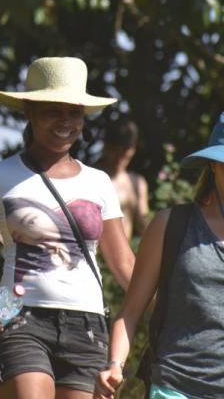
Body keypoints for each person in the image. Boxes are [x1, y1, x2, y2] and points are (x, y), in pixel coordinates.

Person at [0, 56, 135, 399]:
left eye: (74, 112)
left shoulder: (100, 183)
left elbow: (125, 267)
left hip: (88, 328)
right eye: (52, 111)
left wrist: (171, 305)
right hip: (21, 321)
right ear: (29, 111)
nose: (65, 122)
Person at [94, 112, 224, 399]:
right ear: (213, 166)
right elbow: (129, 312)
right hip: (174, 387)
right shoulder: (171, 225)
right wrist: (115, 364)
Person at [96, 118, 150, 240]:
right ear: (106, 146)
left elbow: (143, 226)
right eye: (115, 150)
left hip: (123, 255)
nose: (119, 157)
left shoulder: (137, 183)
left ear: (133, 150)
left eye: (125, 151)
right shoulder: (89, 177)